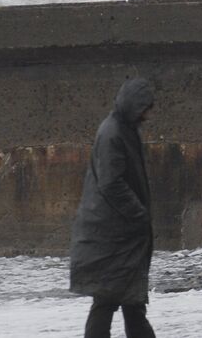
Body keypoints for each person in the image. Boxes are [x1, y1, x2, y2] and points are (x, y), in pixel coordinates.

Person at [70, 77, 156, 338]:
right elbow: (111, 184)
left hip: (117, 231)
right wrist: (138, 214)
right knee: (107, 300)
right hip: (111, 232)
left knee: (131, 302)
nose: (148, 114)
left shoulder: (123, 129)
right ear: (133, 105)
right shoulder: (113, 133)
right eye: (145, 108)